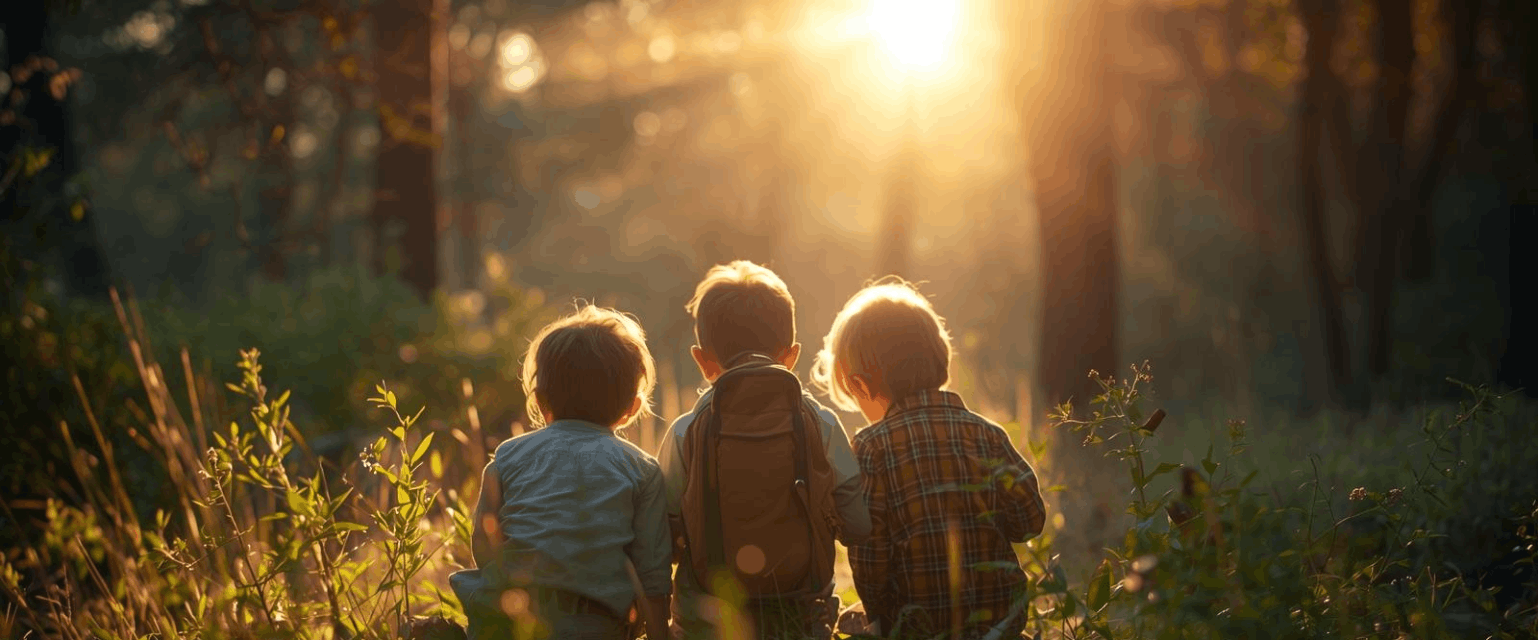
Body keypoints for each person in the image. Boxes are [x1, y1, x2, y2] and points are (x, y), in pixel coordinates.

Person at [811, 279, 1047, 640]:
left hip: (915, 626)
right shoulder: (987, 434)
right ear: (940, 359)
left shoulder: (872, 447)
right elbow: (1030, 521)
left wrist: (877, 615)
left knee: (847, 625)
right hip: (1001, 622)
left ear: (859, 385)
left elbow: (870, 556)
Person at [657, 260, 871, 640]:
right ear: (792, 355)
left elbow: (663, 539)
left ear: (703, 361)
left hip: (705, 621)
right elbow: (857, 524)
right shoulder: (822, 424)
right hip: (804, 617)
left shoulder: (685, 432)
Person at [450, 305, 672, 640]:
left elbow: (483, 546)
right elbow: (653, 576)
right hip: (593, 628)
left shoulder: (508, 456)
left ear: (540, 401)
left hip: (504, 622)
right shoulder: (641, 469)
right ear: (632, 408)